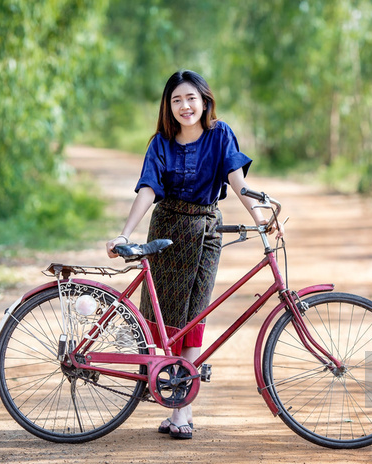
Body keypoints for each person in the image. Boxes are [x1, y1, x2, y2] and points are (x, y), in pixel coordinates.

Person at [106, 69, 283, 440]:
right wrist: (125, 233)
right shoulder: (160, 143)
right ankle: (174, 403)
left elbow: (238, 182)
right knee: (166, 318)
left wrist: (262, 217)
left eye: (191, 99)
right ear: (168, 107)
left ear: (204, 101)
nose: (185, 106)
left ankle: (179, 407)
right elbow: (147, 191)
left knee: (194, 319)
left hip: (205, 235)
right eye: (176, 101)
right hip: (166, 233)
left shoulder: (220, 135)